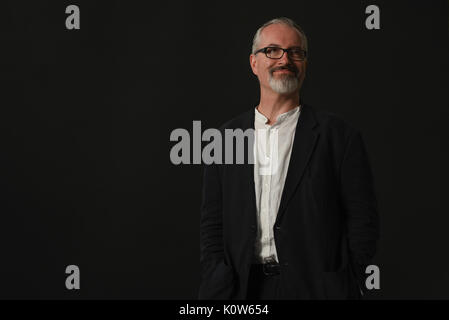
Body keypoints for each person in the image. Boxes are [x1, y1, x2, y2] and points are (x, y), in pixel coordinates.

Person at [198, 17, 379, 300]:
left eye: (295, 52)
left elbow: (363, 219)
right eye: (272, 50)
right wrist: (217, 279)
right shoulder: (224, 138)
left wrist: (349, 279)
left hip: (317, 289)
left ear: (304, 63)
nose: (285, 59)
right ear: (253, 63)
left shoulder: (339, 136)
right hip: (242, 290)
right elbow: (212, 225)